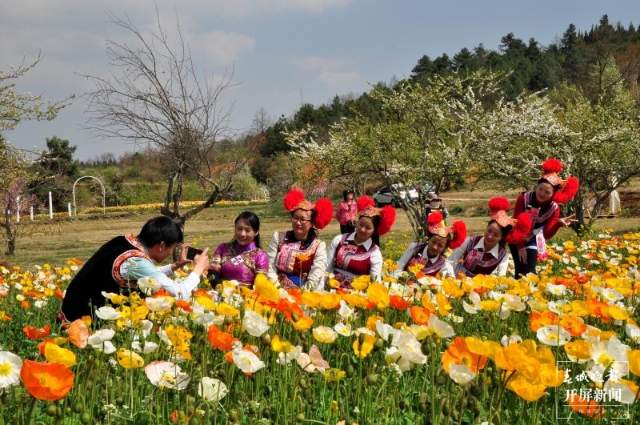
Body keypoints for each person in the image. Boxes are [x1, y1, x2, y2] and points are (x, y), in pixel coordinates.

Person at [60, 216, 209, 323]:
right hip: (80, 323)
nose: (170, 253)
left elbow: (141, 274)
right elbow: (180, 293)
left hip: (73, 311)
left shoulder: (123, 241)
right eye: (171, 248)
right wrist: (198, 270)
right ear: (162, 245)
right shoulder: (136, 261)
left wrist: (173, 267)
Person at [510, 158, 579, 277]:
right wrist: (520, 245)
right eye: (540, 189)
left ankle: (532, 291)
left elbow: (546, 233)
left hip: (534, 238)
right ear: (536, 187)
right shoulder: (524, 198)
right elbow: (516, 221)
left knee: (529, 271)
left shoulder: (554, 208)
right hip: (516, 236)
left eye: (547, 192)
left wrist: (558, 223)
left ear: (553, 194)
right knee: (519, 271)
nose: (542, 194)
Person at [267, 188, 333, 290]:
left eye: (302, 219)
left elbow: (316, 274)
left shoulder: (318, 246)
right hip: (276, 289)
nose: (298, 223)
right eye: (295, 218)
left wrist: (303, 293)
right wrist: (278, 289)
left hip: (304, 292)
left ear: (311, 223)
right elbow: (270, 267)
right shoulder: (278, 238)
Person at [448, 197, 532, 277]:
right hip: (457, 280)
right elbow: (451, 261)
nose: (490, 236)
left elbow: (500, 277)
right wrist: (451, 278)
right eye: (489, 231)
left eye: (496, 235)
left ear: (501, 237)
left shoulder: (502, 255)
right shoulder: (469, 241)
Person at [327, 195, 396, 286]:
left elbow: (375, 281)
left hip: (357, 295)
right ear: (357, 223)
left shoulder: (374, 253)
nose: (362, 229)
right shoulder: (339, 240)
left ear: (374, 231)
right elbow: (327, 266)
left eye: (368, 228)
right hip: (331, 289)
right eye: (361, 225)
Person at [394, 211, 466, 278]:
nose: (435, 247)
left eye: (440, 246)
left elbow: (450, 284)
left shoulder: (445, 266)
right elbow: (398, 267)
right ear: (429, 239)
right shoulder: (415, 248)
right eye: (433, 242)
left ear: (444, 248)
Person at [209, 211, 269, 287]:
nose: (242, 234)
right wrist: (222, 289)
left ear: (256, 232)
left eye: (247, 230)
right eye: (239, 229)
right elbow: (212, 274)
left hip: (248, 297)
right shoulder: (223, 248)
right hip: (221, 294)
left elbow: (260, 284)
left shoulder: (260, 255)